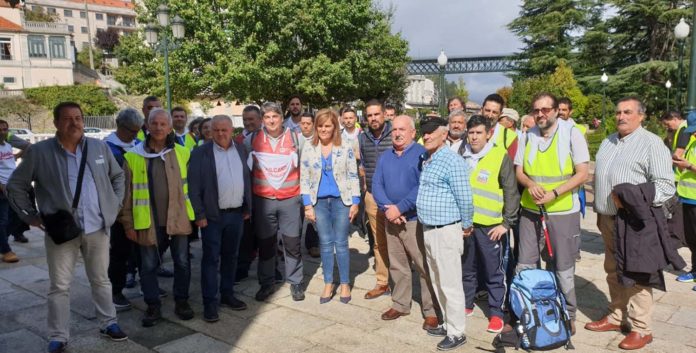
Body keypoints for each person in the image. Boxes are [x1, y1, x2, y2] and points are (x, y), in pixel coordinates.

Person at [7, 102, 128, 353]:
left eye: (78, 118)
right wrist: (30, 217)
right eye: (67, 119)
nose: (74, 123)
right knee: (60, 285)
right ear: (55, 123)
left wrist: (113, 206)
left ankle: (109, 322)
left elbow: (118, 176)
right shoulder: (40, 152)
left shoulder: (98, 147)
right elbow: (15, 185)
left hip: (97, 227)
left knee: (101, 279)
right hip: (61, 231)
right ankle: (58, 336)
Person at [588, 97, 678, 350]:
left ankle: (641, 329)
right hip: (607, 219)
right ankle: (617, 316)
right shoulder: (608, 141)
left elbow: (665, 186)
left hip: (635, 222)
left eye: (627, 112)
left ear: (641, 116)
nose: (620, 116)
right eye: (618, 112)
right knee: (612, 269)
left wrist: (634, 201)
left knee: (638, 274)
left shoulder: (651, 144)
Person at [515, 93, 590, 335]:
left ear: (557, 111)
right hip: (530, 210)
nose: (541, 114)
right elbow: (520, 171)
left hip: (562, 211)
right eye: (537, 110)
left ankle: (568, 314)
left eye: (546, 109)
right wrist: (529, 184)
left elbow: (582, 174)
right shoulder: (527, 136)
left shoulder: (571, 133)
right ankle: (528, 310)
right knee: (525, 265)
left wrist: (555, 193)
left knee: (562, 267)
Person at [120, 108, 195, 327]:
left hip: (179, 219)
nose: (159, 128)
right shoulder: (133, 156)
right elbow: (126, 195)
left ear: (170, 127)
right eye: (155, 124)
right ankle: (153, 305)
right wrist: (127, 224)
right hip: (147, 221)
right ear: (147, 126)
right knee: (148, 266)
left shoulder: (183, 153)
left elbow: (191, 188)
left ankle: (182, 301)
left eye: (163, 124)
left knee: (182, 262)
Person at [372, 115, 439, 331]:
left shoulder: (421, 155)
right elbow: (376, 186)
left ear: (413, 133)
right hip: (391, 219)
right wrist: (388, 208)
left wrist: (400, 208)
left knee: (423, 266)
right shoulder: (385, 157)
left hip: (413, 220)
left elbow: (422, 186)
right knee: (398, 264)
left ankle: (431, 311)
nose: (397, 133)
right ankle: (400, 304)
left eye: (402, 129)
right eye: (394, 130)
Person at [416, 117, 473, 351]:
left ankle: (458, 331)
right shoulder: (428, 159)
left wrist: (467, 224)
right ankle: (448, 324)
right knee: (438, 281)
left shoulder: (452, 160)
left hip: (446, 230)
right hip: (429, 228)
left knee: (450, 283)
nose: (426, 136)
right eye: (424, 133)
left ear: (444, 133)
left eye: (431, 132)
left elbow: (465, 197)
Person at [189, 115, 252, 322]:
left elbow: (246, 178)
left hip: (236, 214)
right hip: (212, 217)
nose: (220, 133)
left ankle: (227, 294)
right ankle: (210, 302)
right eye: (216, 130)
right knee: (210, 260)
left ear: (232, 130)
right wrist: (199, 214)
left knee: (231, 256)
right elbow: (194, 186)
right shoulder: (201, 153)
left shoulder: (242, 149)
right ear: (210, 131)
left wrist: (247, 206)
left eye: (224, 129)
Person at [460, 115, 519, 333]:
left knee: (494, 272)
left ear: (489, 134)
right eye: (471, 132)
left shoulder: (499, 156)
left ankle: (496, 313)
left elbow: (511, 192)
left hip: (491, 227)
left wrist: (506, 223)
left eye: (478, 133)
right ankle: (467, 304)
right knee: (467, 267)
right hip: (466, 224)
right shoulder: (462, 154)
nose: (474, 137)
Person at [246, 102, 306, 302]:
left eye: (275, 116)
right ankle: (267, 283)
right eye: (267, 117)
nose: (271, 120)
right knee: (266, 244)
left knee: (292, 243)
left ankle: (295, 281)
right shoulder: (253, 139)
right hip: (264, 201)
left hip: (290, 199)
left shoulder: (296, 139)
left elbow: (305, 170)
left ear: (282, 118)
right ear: (263, 120)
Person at [300, 109, 360, 303]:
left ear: (335, 126)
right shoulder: (309, 147)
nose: (324, 129)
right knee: (325, 244)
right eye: (320, 126)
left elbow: (353, 174)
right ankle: (328, 282)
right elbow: (304, 178)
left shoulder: (345, 145)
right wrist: (307, 205)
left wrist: (356, 202)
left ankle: (344, 283)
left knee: (341, 243)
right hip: (319, 202)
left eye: (328, 125)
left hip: (342, 201)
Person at [104, 108, 144, 311]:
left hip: (141, 208)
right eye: (131, 130)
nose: (135, 135)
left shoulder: (139, 145)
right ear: (119, 126)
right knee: (119, 253)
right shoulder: (106, 148)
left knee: (141, 251)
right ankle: (115, 291)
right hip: (117, 211)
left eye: (138, 130)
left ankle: (143, 283)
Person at [359, 99, 393, 299]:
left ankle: (402, 281)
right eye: (369, 115)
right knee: (379, 242)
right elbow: (362, 164)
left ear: (384, 114)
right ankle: (382, 282)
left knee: (400, 242)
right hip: (373, 195)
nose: (373, 118)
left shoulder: (395, 133)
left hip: (395, 197)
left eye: (376, 114)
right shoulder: (363, 138)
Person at [235, 105, 263, 281]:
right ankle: (242, 268)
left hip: (265, 193)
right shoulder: (240, 140)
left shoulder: (270, 137)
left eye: (251, 119)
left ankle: (270, 270)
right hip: (246, 193)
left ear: (260, 118)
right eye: (245, 120)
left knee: (266, 234)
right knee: (245, 234)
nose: (248, 122)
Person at [673, 111, 696, 287]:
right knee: (691, 238)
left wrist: (689, 165)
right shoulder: (692, 142)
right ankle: (694, 271)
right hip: (688, 198)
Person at [0, 120, 19, 263]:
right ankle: (5, 250)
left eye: (5, 129)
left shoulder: (7, 145)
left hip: (12, 185)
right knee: (3, 220)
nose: (2, 132)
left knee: (15, 218)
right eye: (0, 130)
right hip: (2, 188)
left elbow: (9, 162)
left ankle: (3, 242)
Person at [481, 94, 518, 159]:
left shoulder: (509, 137)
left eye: (494, 112)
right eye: (487, 110)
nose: (490, 115)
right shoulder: (470, 131)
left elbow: (510, 166)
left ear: (500, 114)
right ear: (482, 110)